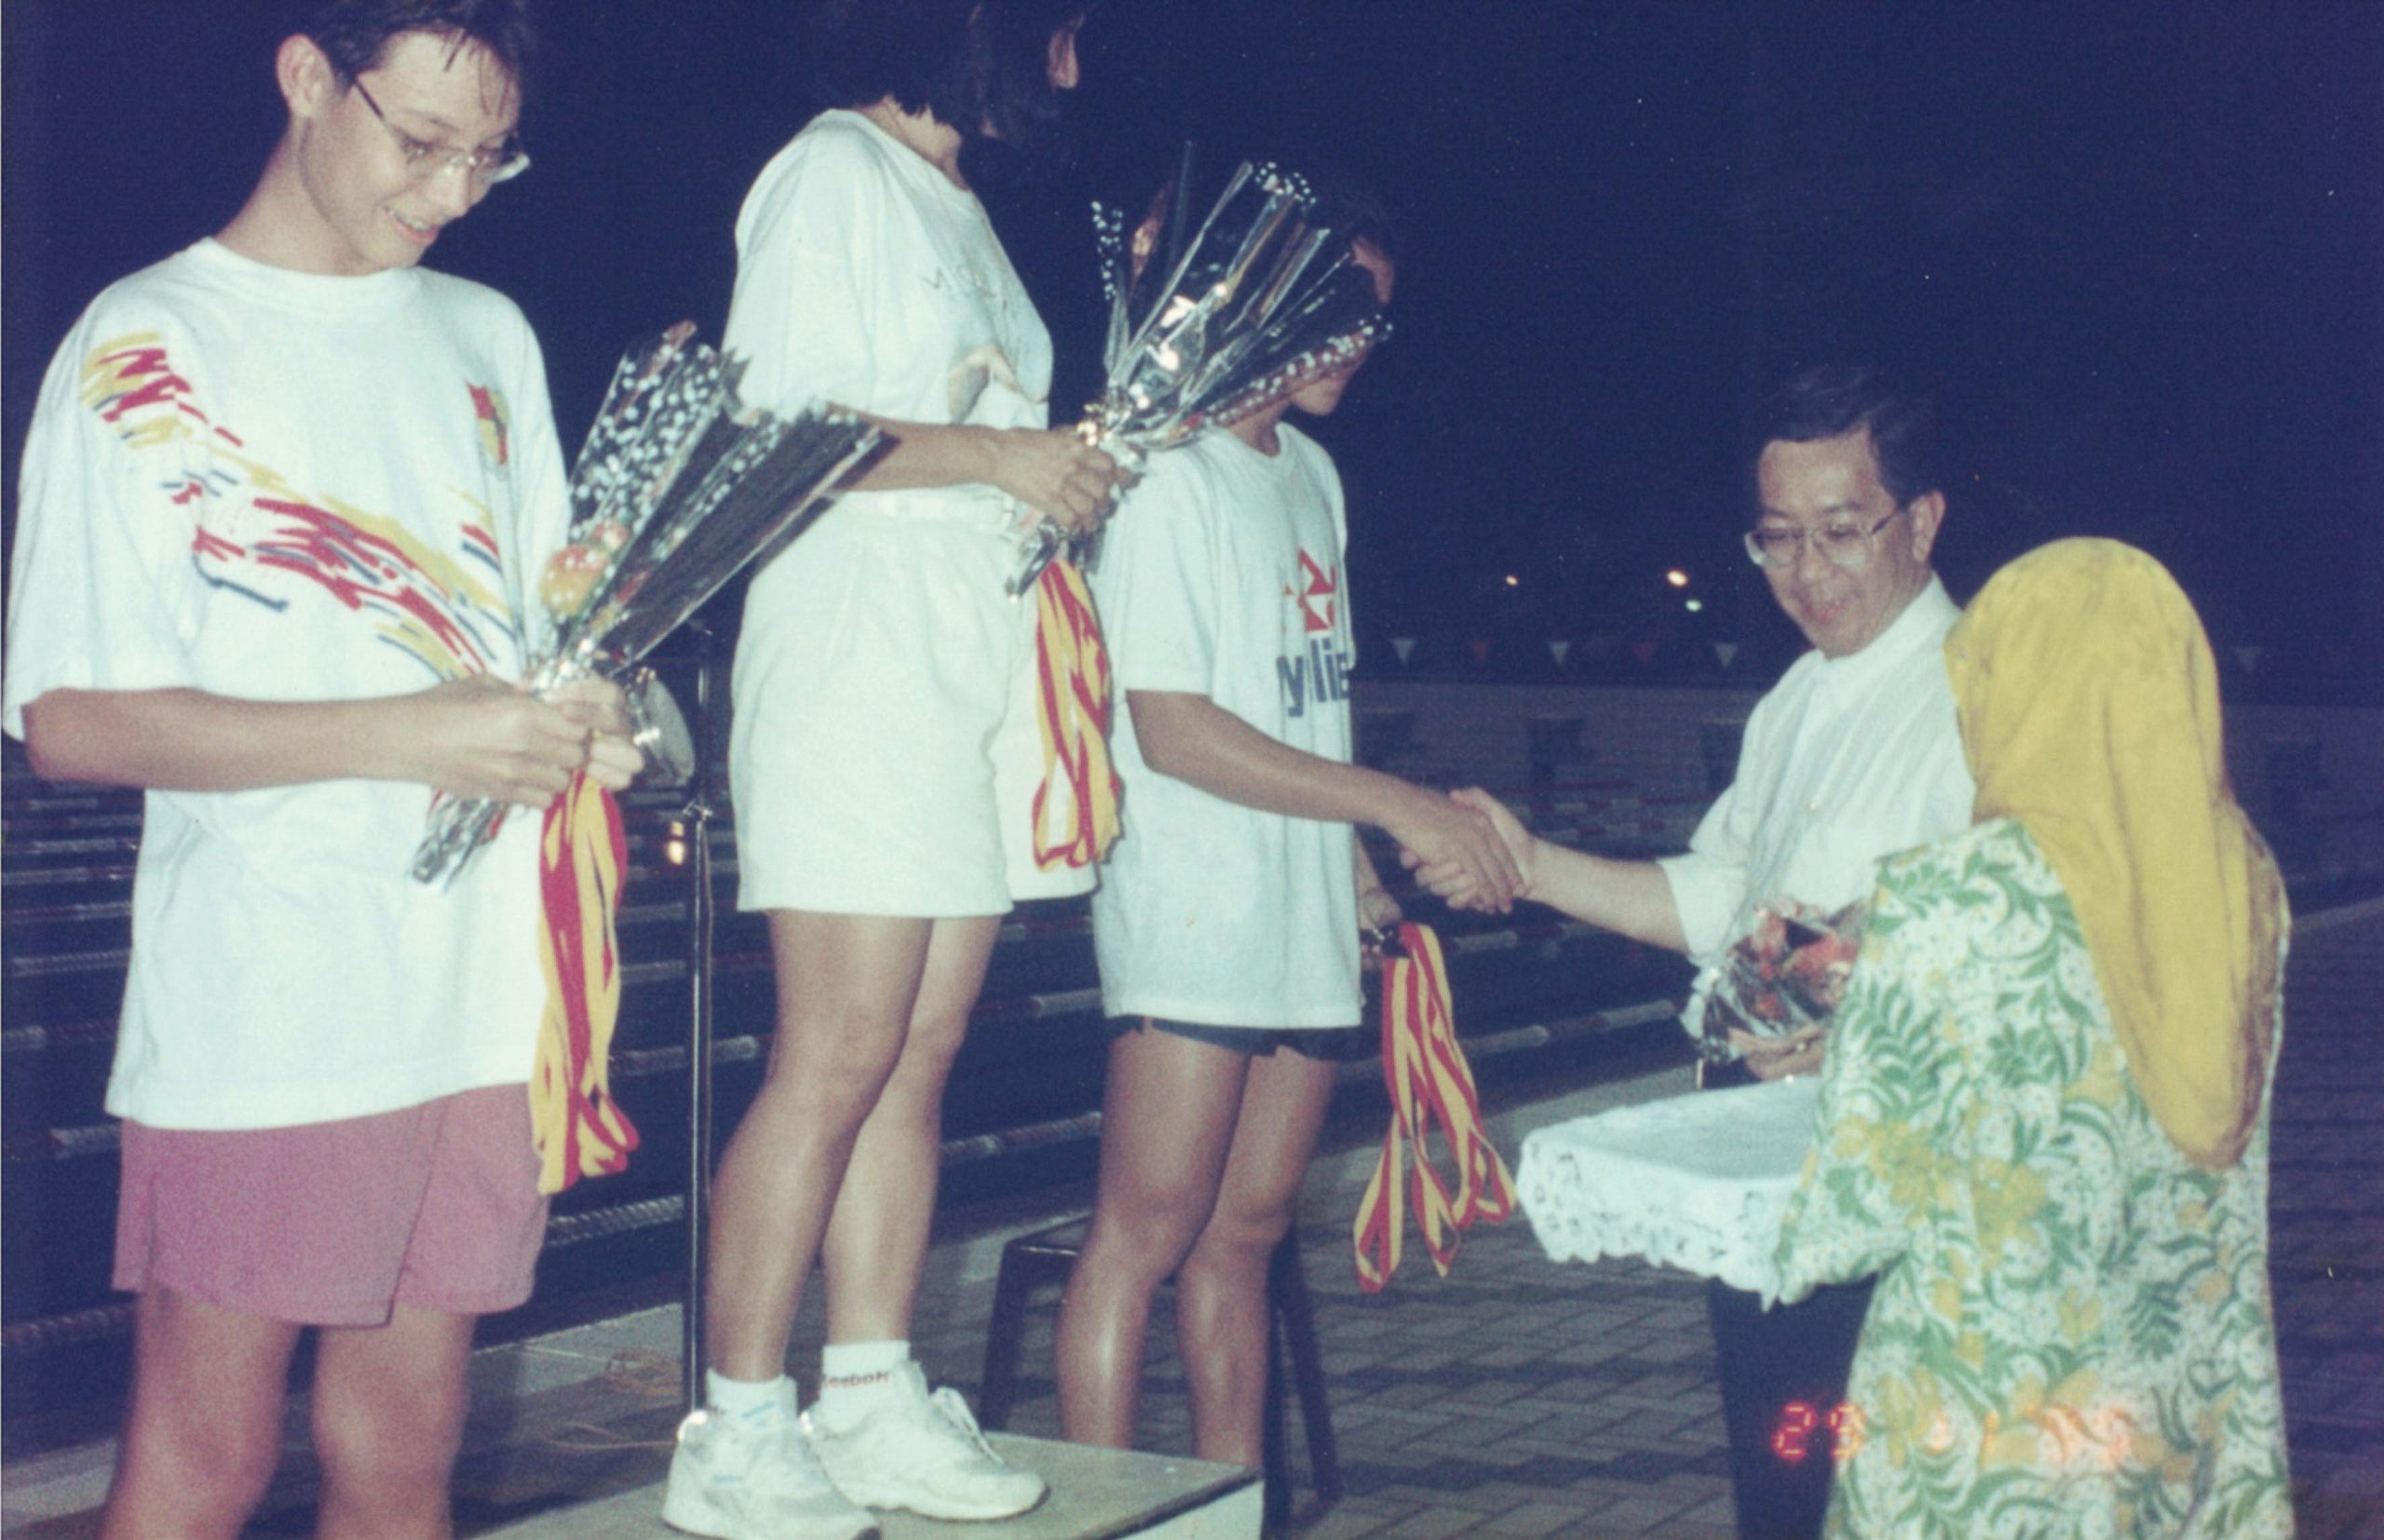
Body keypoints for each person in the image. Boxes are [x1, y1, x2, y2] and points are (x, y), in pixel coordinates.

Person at [1, 5, 644, 1536]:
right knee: (206, 1460)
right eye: (421, 143)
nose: (452, 193)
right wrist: (413, 731)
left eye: (490, 158)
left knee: (402, 1450)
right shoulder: (152, 342)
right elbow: (66, 718)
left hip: (477, 998)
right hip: (275, 1001)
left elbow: (541, 640)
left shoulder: (486, 336)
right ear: (306, 76)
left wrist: (587, 717)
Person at [666, 4, 1122, 1537]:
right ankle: (736, 1422)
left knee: (917, 1054)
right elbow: (774, 435)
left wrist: (1055, 477)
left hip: (966, 667)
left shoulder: (960, 203)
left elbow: (976, 432)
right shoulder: (830, 173)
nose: (1071, 65)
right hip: (851, 660)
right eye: (1057, 30)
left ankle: (867, 1392)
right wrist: (1003, 456)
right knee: (838, 1047)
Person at [1430, 366, 1975, 1537]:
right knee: (1784, 1479)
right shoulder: (1796, 699)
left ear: (1922, 521)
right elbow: (1724, 898)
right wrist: (1530, 862)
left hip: (1901, 1167)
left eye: (1840, 530)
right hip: (1765, 1153)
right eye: (1778, 538)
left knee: (1888, 1492)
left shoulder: (1983, 693)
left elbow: (2026, 931)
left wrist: (1864, 1009)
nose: (1806, 572)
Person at [1052, 222, 1522, 1465]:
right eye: (1337, 307)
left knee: (1244, 1240)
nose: (1358, 341)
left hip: (1300, 915)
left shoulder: (1312, 475)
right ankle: (1105, 1512)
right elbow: (1171, 730)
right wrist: (1400, 804)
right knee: (1142, 1236)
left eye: (1376, 316)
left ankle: (1226, 1509)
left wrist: (1358, 871)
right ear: (1259, 293)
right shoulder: (1166, 474)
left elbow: (1309, 694)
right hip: (1195, 911)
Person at [1772, 538, 2293, 1537]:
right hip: (2172, 1410)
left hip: (1984, 1427)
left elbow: (1853, 1216)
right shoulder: (2246, 882)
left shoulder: (1945, 894)